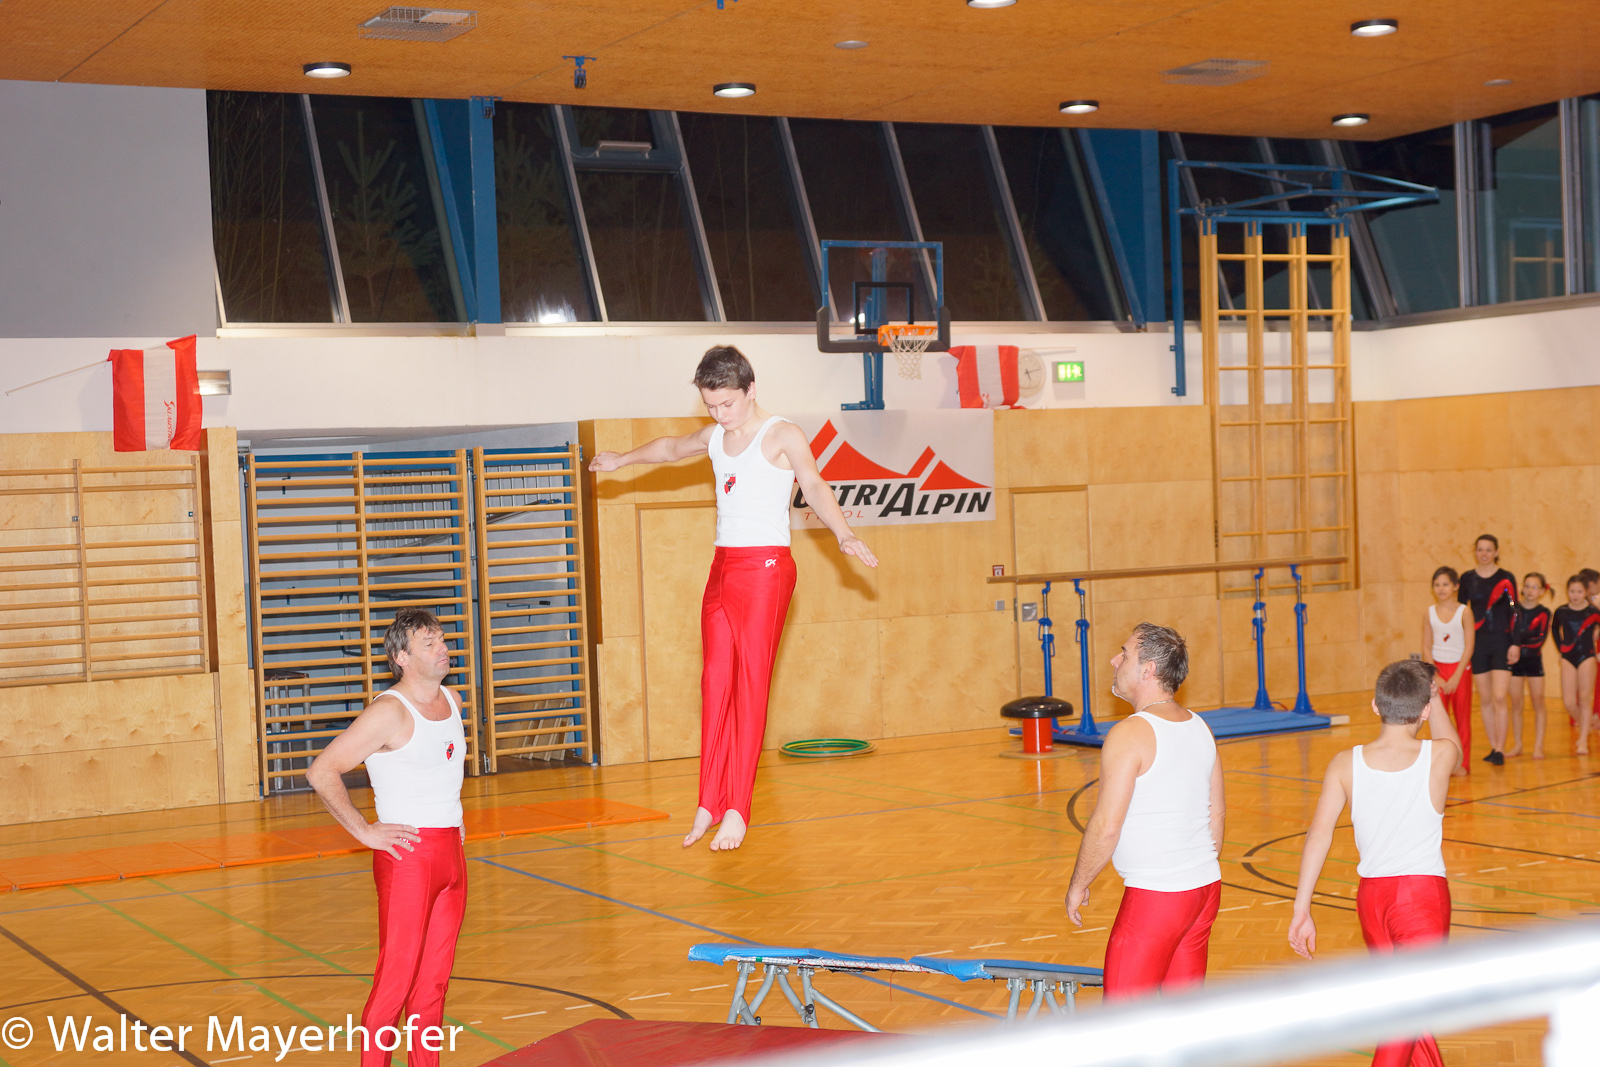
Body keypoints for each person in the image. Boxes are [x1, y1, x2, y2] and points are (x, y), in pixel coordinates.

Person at [588, 346, 878, 851]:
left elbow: (813, 483)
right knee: (714, 683)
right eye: (711, 406)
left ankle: (738, 809)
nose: (720, 415)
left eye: (727, 404)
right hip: (722, 569)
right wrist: (622, 459)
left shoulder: (782, 434)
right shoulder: (716, 437)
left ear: (751, 389)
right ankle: (709, 800)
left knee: (749, 687)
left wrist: (844, 533)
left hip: (765, 570)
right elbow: (671, 448)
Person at [307, 608, 467, 1067]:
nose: (443, 649)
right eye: (429, 644)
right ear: (402, 658)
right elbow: (322, 771)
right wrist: (364, 831)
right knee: (394, 984)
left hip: (451, 857)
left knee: (433, 985)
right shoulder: (389, 712)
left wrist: (454, 819)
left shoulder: (453, 700)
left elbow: (440, 769)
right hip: (408, 858)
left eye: (442, 639)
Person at [1288, 660, 1462, 1067]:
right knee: (1405, 1016)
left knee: (1407, 1010)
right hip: (1421, 899)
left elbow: (1318, 836)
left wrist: (1301, 908)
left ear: (1375, 705)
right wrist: (1434, 696)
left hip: (1372, 901)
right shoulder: (1439, 755)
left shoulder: (1343, 763)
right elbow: (1451, 741)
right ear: (1424, 709)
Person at [1064, 623, 1224, 1000]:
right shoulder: (1200, 726)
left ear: (1148, 670)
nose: (1114, 660)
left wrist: (1078, 884)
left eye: (1125, 654)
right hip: (1204, 889)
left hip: (1157, 898)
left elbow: (1106, 826)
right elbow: (1216, 814)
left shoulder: (1130, 733)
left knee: (1125, 1019)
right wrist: (1191, 869)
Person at [1458, 534, 1517, 766]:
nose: (1484, 554)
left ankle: (1501, 748)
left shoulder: (1506, 577)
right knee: (1485, 698)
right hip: (1478, 643)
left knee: (1500, 696)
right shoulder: (1467, 578)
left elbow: (1515, 612)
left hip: (1502, 642)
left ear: (1496, 552)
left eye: (1488, 550)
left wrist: (1515, 643)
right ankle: (1493, 746)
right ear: (1475, 551)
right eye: (1480, 549)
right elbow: (1461, 612)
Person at [1421, 566, 1473, 776]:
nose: (1441, 589)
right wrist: (1435, 676)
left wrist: (1457, 676)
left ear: (1455, 586)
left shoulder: (1464, 612)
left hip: (1460, 669)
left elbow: (1469, 646)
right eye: (1437, 585)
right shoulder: (1429, 613)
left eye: (1445, 584)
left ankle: (1463, 764)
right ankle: (1441, 763)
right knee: (1438, 718)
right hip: (1437, 670)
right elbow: (1426, 647)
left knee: (1462, 719)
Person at [1506, 573, 1551, 759]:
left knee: (1538, 701)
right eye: (1527, 586)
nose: (1530, 590)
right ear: (1522, 588)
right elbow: (1508, 633)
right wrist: (1515, 643)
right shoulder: (1514, 609)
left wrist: (1518, 642)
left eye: (1535, 587)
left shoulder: (1544, 612)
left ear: (1541, 591)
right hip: (1514, 661)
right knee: (1516, 703)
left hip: (1533, 660)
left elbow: (1539, 638)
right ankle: (1518, 744)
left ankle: (1538, 745)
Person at [1552, 575, 1598, 756]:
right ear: (1567, 591)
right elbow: (1554, 629)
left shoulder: (1592, 611)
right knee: (1569, 702)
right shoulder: (1561, 611)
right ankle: (1588, 725)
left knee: (1585, 699)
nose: (1575, 595)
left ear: (1586, 592)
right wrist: (1560, 649)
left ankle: (1583, 740)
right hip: (1568, 657)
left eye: (1579, 591)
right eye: (1572, 591)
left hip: (1587, 656)